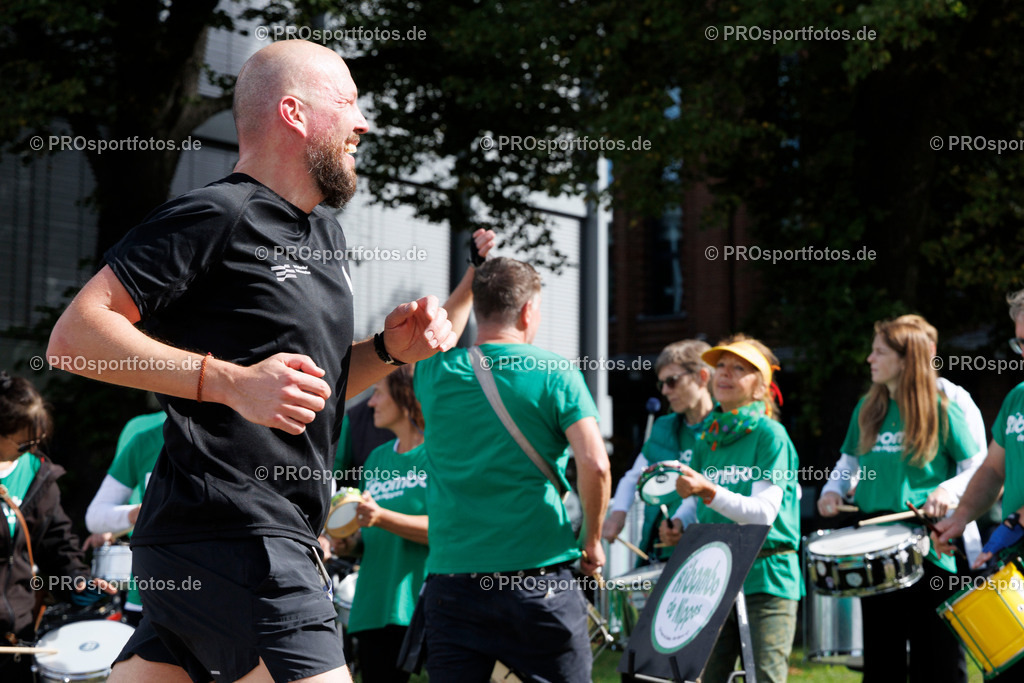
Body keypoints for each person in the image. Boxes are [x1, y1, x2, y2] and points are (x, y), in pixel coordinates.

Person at [47, 39, 459, 683]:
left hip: (209, 544)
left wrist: (387, 352)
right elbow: (74, 339)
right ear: (294, 113)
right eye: (347, 102)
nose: (363, 123)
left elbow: (305, 387)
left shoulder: (325, 235)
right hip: (242, 534)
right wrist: (228, 382)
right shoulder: (215, 213)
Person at [412, 256, 611, 682]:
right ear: (527, 311)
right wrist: (591, 540)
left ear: (478, 307)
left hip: (454, 582)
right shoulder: (555, 373)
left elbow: (436, 333)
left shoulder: (434, 371)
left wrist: (470, 276)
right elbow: (595, 464)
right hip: (540, 581)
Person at [818, 319, 983, 683]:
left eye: (879, 352)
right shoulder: (868, 407)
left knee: (937, 658)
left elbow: (980, 469)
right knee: (881, 659)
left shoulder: (943, 406)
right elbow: (848, 463)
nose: (869, 358)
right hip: (874, 547)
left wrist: (946, 491)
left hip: (931, 543)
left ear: (906, 359)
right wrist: (831, 490)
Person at [658, 335, 801, 683]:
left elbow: (763, 514)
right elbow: (697, 504)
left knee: (764, 678)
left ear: (759, 388)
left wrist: (709, 491)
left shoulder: (771, 436)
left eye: (739, 368)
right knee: (707, 678)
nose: (725, 373)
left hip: (767, 576)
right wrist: (679, 520)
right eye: (720, 365)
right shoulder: (708, 436)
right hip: (715, 576)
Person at [0, 373, 115, 682]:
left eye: (35, 440)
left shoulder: (38, 474)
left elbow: (57, 543)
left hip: (16, 633)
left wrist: (77, 579)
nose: (32, 447)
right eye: (23, 440)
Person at [934, 289, 1024, 681]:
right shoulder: (1018, 398)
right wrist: (961, 517)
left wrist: (1012, 525)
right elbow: (991, 470)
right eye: (1021, 342)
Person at [337, 366, 428, 683]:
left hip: (424, 605)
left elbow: (449, 528)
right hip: (374, 605)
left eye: (377, 393)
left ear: (405, 398)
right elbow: (374, 531)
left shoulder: (440, 455)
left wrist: (381, 518)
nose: (371, 402)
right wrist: (352, 543)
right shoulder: (376, 458)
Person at [602, 340, 714, 563]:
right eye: (662, 383)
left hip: (708, 552)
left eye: (672, 381)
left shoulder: (725, 428)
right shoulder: (663, 427)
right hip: (660, 551)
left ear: (702, 377)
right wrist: (618, 514)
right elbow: (634, 477)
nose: (665, 391)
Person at [85, 411, 166, 627]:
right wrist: (133, 513)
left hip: (216, 596)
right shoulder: (143, 435)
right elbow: (98, 514)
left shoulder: (240, 432)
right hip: (146, 595)